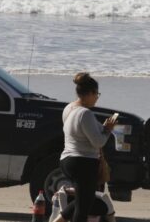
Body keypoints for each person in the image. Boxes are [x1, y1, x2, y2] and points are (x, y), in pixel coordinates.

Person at [53, 72, 117, 222]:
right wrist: (108, 129)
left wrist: (102, 128)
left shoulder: (69, 108)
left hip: (67, 160)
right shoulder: (85, 113)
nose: (97, 98)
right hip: (83, 162)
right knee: (83, 209)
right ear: (90, 93)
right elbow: (98, 142)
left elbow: (79, 133)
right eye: (97, 94)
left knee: (83, 201)